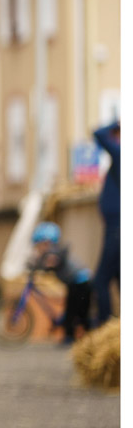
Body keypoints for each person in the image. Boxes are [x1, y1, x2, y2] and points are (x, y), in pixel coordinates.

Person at [28, 222, 92, 345]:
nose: (38, 249)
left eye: (40, 245)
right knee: (79, 312)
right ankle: (83, 334)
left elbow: (51, 263)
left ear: (47, 243)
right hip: (79, 282)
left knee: (73, 311)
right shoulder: (53, 252)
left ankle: (71, 336)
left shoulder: (53, 253)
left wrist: (37, 267)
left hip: (80, 283)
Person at [89, 121, 119, 327]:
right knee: (118, 277)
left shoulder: (122, 155)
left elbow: (98, 133)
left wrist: (118, 123)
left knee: (100, 280)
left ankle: (104, 324)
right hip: (115, 227)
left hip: (116, 228)